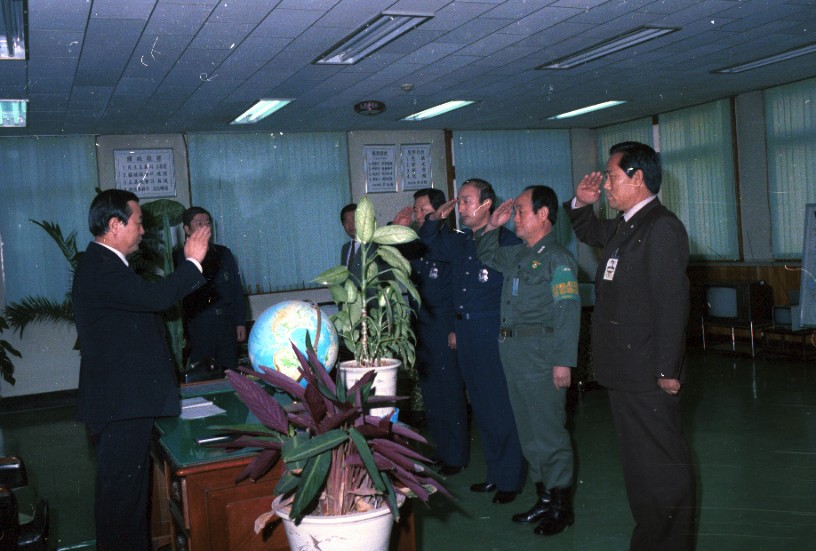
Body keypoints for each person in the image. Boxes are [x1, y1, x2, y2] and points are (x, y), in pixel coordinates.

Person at [565, 141, 696, 550]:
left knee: (662, 471)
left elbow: (672, 305)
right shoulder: (628, 224)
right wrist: (581, 203)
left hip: (648, 374)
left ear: (638, 179)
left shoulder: (662, 227)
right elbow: (588, 230)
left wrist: (667, 371)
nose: (605, 185)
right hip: (627, 372)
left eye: (612, 178)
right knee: (642, 471)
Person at [72, 189, 210, 550]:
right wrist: (192, 262)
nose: (143, 229)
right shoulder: (102, 266)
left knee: (125, 502)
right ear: (115, 225)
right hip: (120, 405)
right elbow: (157, 298)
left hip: (122, 402)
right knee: (122, 505)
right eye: (138, 221)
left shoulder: (103, 264)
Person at [477, 185, 581, 536]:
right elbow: (487, 255)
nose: (516, 216)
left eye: (520, 210)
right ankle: (544, 497)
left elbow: (568, 312)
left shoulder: (558, 259)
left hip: (543, 357)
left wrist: (563, 361)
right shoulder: (521, 254)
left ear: (543, 215)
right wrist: (494, 225)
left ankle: (562, 507)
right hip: (515, 355)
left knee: (549, 434)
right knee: (529, 433)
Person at [420, 178, 526, 504]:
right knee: (481, 406)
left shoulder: (506, 241)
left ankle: (510, 478)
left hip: (491, 331)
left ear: (487, 204)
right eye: (460, 201)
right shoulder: (463, 241)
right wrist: (434, 219)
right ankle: (495, 473)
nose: (461, 208)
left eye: (466, 201)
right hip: (465, 333)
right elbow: (430, 246)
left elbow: (516, 294)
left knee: (499, 407)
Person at [393, 188, 468, 475]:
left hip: (444, 328)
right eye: (416, 210)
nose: (418, 215)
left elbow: (458, 288)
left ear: (440, 212)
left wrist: (454, 328)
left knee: (449, 393)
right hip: (421, 328)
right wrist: (394, 229)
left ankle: (457, 455)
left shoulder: (452, 242)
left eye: (423, 210)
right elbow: (384, 256)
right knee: (432, 394)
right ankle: (442, 450)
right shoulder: (417, 243)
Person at [175, 207, 247, 370]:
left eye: (207, 223)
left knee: (230, 371)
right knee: (202, 371)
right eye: (198, 223)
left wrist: (240, 322)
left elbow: (236, 288)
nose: (204, 227)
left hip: (226, 323)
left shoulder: (223, 253)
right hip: (200, 325)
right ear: (187, 229)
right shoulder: (180, 256)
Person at [339, 203, 358, 268]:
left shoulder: (372, 246)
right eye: (346, 221)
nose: (350, 224)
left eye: (354, 219)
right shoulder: (345, 248)